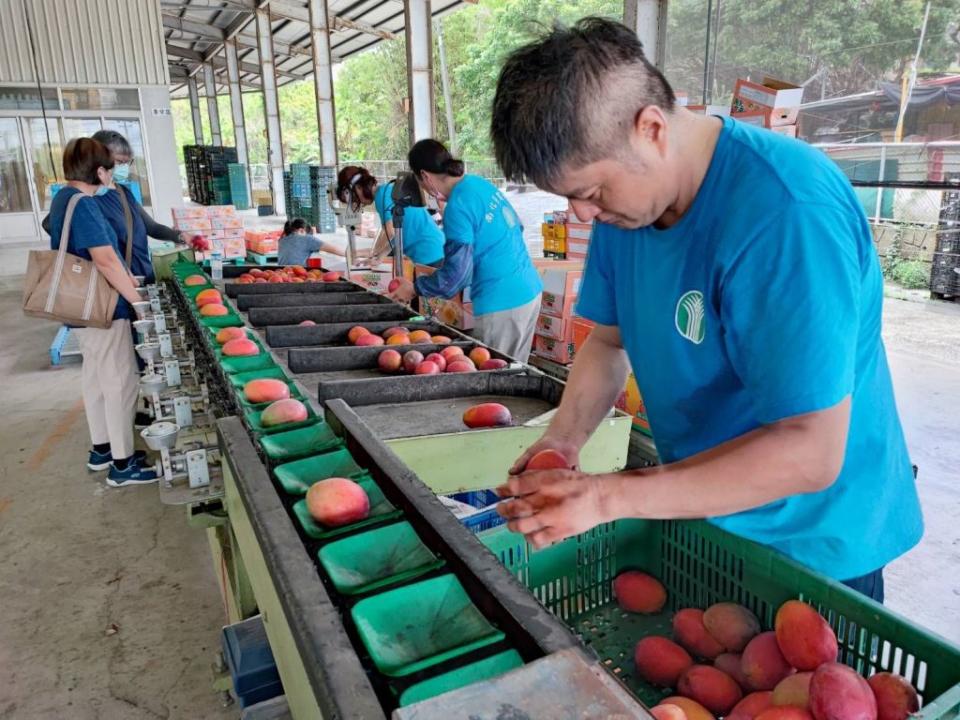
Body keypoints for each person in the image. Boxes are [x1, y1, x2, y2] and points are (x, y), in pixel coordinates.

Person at [489, 18, 921, 602]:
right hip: (703, 515)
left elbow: (810, 450)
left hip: (811, 545)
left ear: (650, 129)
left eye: (589, 193)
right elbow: (610, 342)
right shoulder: (631, 209)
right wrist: (562, 445)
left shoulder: (786, 214)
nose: (582, 215)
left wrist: (607, 497)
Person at [48, 138, 157, 487]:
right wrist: (138, 303)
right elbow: (107, 260)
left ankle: (102, 450)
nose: (114, 176)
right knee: (121, 383)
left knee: (95, 379)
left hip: (78, 307)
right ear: (99, 171)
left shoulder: (63, 198)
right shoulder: (85, 205)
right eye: (112, 169)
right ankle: (123, 465)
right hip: (103, 308)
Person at [387, 141, 543, 360]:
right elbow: (517, 226)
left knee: (494, 378)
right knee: (515, 370)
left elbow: (455, 276)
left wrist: (414, 288)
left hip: (502, 302)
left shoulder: (457, 207)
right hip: (529, 290)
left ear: (424, 176)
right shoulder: (479, 184)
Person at [336, 166, 444, 267]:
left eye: (355, 199)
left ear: (359, 187)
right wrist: (378, 256)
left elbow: (391, 234)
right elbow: (393, 237)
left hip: (429, 252)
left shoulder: (382, 197)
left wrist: (375, 255)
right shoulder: (386, 191)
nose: (358, 203)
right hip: (436, 248)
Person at [277, 217, 347, 266]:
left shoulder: (282, 241)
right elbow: (334, 250)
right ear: (301, 230)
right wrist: (350, 256)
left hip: (281, 273)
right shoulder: (306, 239)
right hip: (297, 276)